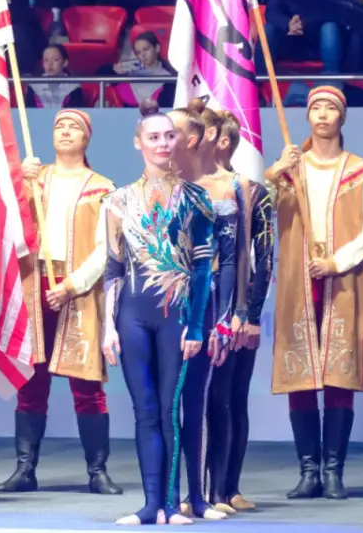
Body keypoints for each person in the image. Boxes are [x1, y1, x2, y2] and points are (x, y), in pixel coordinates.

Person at [0, 110, 121, 497]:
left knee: (88, 385)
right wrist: (20, 180)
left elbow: (107, 248)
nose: (65, 131)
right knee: (31, 384)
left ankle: (97, 471)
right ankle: (24, 469)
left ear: (87, 139)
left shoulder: (103, 187)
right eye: (59, 126)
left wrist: (72, 284)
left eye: (74, 128)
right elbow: (6, 221)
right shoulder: (36, 179)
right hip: (36, 284)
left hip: (78, 288)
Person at [264, 86, 363, 501]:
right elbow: (263, 213)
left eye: (331, 107)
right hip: (299, 280)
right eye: (315, 107)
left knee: (338, 375)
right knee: (301, 376)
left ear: (342, 117)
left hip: (342, 280)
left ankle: (333, 470)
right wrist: (275, 173)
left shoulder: (360, 170)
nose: (323, 113)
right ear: (307, 116)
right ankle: (308, 470)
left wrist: (337, 262)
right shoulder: (292, 169)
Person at [102, 100, 214, 526]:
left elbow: (203, 267)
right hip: (131, 315)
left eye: (169, 135)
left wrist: (197, 325)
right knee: (144, 410)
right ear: (138, 144)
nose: (163, 143)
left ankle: (171, 503)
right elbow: (112, 267)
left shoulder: (196, 199)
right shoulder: (117, 201)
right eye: (154, 137)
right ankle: (151, 505)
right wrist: (106, 328)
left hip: (178, 316)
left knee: (169, 408)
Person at [168, 103, 239, 521]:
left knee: (195, 402)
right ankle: (163, 495)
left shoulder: (220, 196)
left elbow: (228, 260)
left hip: (203, 302)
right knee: (163, 405)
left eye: (171, 133)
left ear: (191, 140)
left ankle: (197, 496)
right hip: (160, 308)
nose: (163, 140)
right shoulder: (150, 191)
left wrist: (225, 317)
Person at [205, 110, 273, 513]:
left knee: (230, 396)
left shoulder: (252, 191)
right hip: (196, 304)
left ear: (222, 141)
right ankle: (197, 488)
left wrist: (249, 314)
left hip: (237, 306)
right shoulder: (185, 188)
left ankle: (227, 486)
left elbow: (263, 258)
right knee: (200, 399)